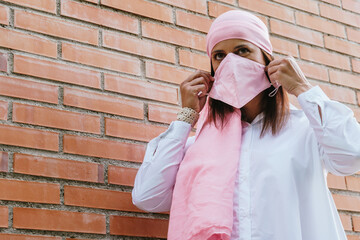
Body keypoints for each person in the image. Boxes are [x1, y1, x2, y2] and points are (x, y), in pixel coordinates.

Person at [131, 10, 360, 240]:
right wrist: (186, 116)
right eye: (219, 55)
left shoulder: (307, 130)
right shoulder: (197, 149)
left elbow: (352, 155)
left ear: (267, 60)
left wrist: (303, 89)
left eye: (242, 50)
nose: (231, 62)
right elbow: (148, 196)